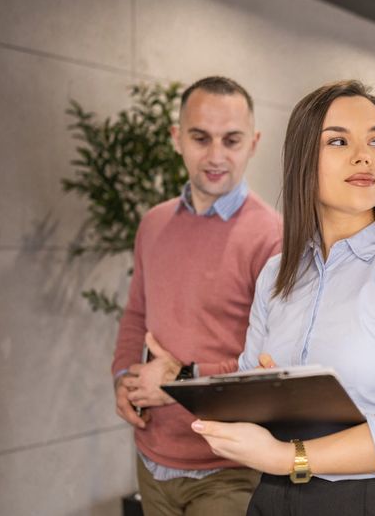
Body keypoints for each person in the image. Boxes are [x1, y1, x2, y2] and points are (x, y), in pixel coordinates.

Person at [190, 80, 375, 515]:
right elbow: (248, 386)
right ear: (303, 160)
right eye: (339, 141)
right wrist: (259, 396)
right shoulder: (275, 274)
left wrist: (290, 457)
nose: (365, 155)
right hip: (274, 498)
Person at [111, 76, 282, 516]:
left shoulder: (272, 237)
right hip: (153, 456)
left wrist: (182, 381)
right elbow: (135, 315)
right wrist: (123, 380)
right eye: (200, 138)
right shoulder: (153, 223)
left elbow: (273, 360)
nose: (216, 156)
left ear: (254, 143)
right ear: (177, 138)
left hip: (228, 464)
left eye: (232, 140)